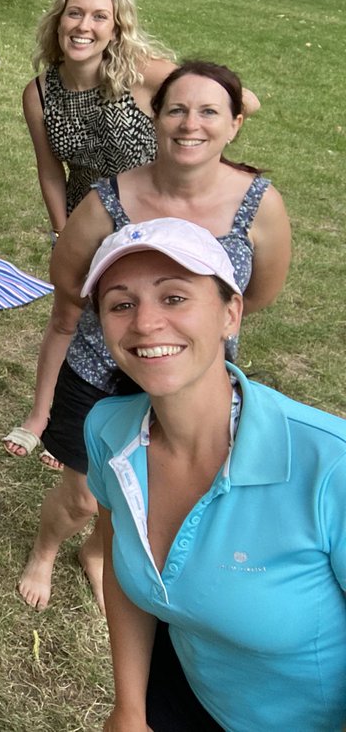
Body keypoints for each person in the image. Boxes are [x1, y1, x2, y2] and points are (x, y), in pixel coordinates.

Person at [14, 61, 290, 613]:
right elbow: (66, 275)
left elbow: (257, 293)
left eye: (209, 111)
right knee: (86, 495)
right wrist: (116, 322)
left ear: (234, 123)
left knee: (153, 487)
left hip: (191, 381)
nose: (191, 124)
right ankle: (46, 549)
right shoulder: (109, 197)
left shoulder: (259, 204)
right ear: (155, 117)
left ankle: (97, 554)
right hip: (100, 371)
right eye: (177, 110)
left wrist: (193, 332)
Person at [83, 218, 346, 730]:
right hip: (187, 696)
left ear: (231, 313)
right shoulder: (108, 430)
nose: (145, 323)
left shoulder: (330, 465)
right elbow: (120, 558)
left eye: (175, 298)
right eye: (121, 303)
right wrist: (130, 708)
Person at [2, 0, 260, 468]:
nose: (84, 26)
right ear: (58, 21)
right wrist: (62, 230)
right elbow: (48, 168)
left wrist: (195, 142)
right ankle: (44, 416)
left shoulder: (142, 75)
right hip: (90, 218)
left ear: (117, 28)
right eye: (75, 13)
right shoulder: (39, 92)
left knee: (158, 324)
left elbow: (241, 101)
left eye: (100, 16)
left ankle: (157, 420)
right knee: (69, 317)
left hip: (157, 219)